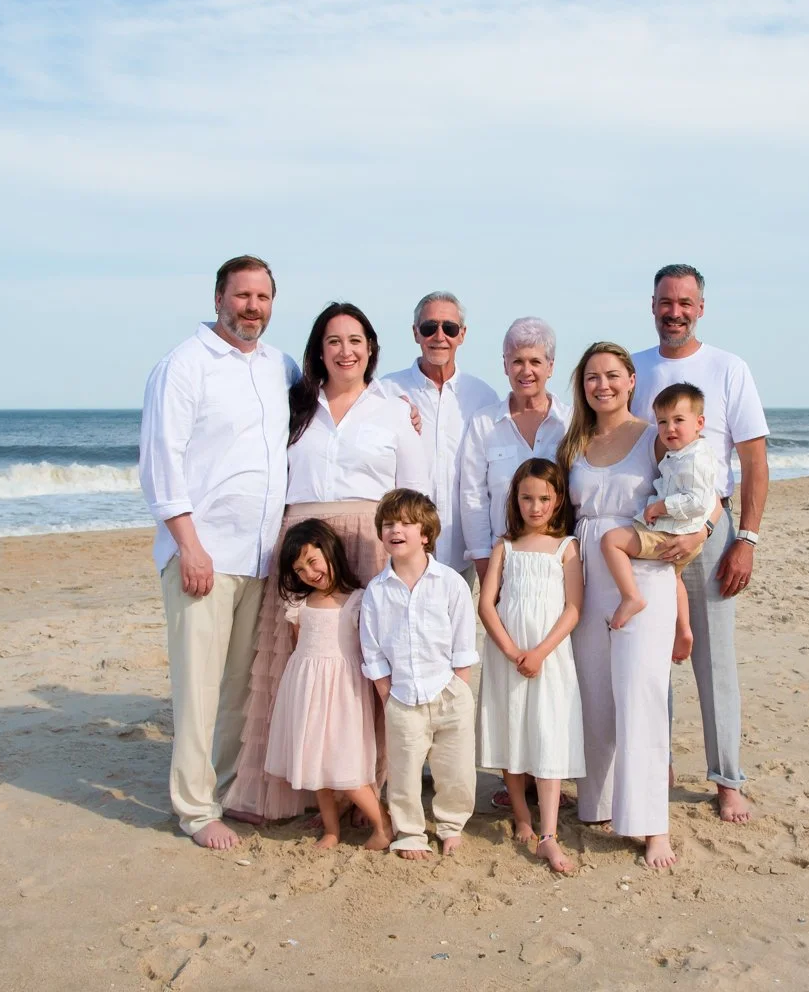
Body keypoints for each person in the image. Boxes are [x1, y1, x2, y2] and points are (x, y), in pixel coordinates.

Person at [225, 303, 430, 822]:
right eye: (334, 341)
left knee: (367, 670)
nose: (346, 351)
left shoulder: (392, 408)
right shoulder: (292, 405)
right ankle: (300, 788)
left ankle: (366, 787)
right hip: (303, 546)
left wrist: (412, 561)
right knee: (297, 663)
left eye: (356, 340)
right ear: (319, 350)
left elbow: (415, 492)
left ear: (371, 348)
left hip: (370, 541)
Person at [137, 254, 298, 850]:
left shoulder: (280, 367)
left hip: (260, 558)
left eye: (262, 297)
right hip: (202, 556)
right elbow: (160, 465)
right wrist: (189, 545)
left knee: (238, 689)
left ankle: (225, 793)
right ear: (217, 299)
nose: (251, 307)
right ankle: (194, 808)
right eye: (241, 296)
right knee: (197, 689)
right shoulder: (183, 367)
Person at [629, 265, 769, 825]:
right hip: (650, 537)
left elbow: (754, 461)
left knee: (714, 664)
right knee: (651, 656)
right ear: (653, 305)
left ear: (701, 308)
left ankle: (727, 780)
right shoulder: (634, 370)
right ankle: (655, 769)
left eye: (685, 302)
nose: (675, 312)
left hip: (712, 533)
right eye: (666, 302)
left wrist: (747, 540)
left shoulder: (729, 369)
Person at [560, 342, 705, 869]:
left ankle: (651, 825)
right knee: (594, 691)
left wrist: (700, 535)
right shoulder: (574, 440)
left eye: (613, 375)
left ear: (630, 382)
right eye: (593, 377)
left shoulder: (655, 436)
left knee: (641, 693)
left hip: (642, 569)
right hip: (587, 571)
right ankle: (598, 802)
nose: (603, 385)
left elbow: (703, 489)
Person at [476, 458, 584, 874]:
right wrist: (510, 650)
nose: (534, 507)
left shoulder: (565, 547)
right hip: (508, 655)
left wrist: (539, 651)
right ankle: (521, 814)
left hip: (549, 656)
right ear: (515, 499)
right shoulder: (505, 545)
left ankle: (549, 833)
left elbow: (574, 606)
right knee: (511, 727)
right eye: (526, 498)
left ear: (557, 502)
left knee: (546, 731)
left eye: (544, 499)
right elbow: (487, 604)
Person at [360, 489, 479, 859]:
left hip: (448, 693)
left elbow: (463, 642)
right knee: (404, 772)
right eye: (388, 524)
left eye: (406, 523)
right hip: (401, 697)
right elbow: (373, 649)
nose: (395, 530)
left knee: (455, 770)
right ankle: (409, 832)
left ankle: (451, 825)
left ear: (425, 534)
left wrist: (458, 687)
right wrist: (386, 692)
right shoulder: (377, 592)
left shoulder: (449, 583)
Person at [264, 519, 393, 851]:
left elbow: (368, 650)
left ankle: (382, 824)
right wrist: (304, 686)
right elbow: (299, 649)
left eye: (311, 560)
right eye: (299, 568)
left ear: (329, 550)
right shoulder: (299, 604)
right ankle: (331, 830)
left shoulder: (357, 601)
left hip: (344, 692)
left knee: (346, 765)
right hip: (306, 690)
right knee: (316, 764)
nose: (308, 572)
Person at [378, 291, 499, 574]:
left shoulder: (484, 397)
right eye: (430, 327)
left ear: (462, 335)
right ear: (416, 333)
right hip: (401, 554)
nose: (439, 336)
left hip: (464, 555)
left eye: (450, 328)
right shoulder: (386, 392)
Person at [601, 382, 721, 651]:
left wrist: (661, 507)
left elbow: (699, 500)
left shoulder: (694, 459)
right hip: (679, 533)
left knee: (611, 542)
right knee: (674, 579)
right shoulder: (683, 454)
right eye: (663, 422)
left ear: (699, 422)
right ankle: (683, 630)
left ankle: (631, 596)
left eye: (679, 420)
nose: (670, 428)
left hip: (671, 532)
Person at [459, 317, 573, 582]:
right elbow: (473, 497)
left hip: (560, 564)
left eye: (535, 362)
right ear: (505, 365)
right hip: (502, 562)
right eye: (517, 361)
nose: (526, 371)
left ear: (551, 367)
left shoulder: (570, 423)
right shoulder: (484, 423)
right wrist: (484, 562)